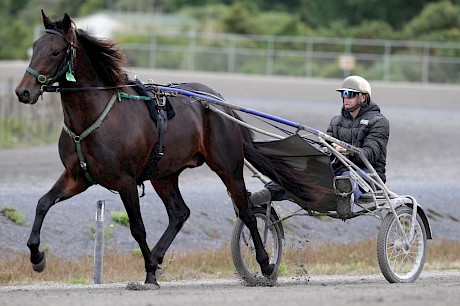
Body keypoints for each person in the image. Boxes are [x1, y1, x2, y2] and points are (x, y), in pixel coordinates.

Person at [249, 75, 390, 215]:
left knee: (346, 178)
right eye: (343, 94)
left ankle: (345, 200)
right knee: (297, 174)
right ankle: (263, 194)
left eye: (350, 94)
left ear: (363, 98)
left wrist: (348, 151)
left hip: (369, 174)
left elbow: (371, 154)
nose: (345, 97)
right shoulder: (336, 121)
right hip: (338, 171)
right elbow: (326, 151)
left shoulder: (379, 122)